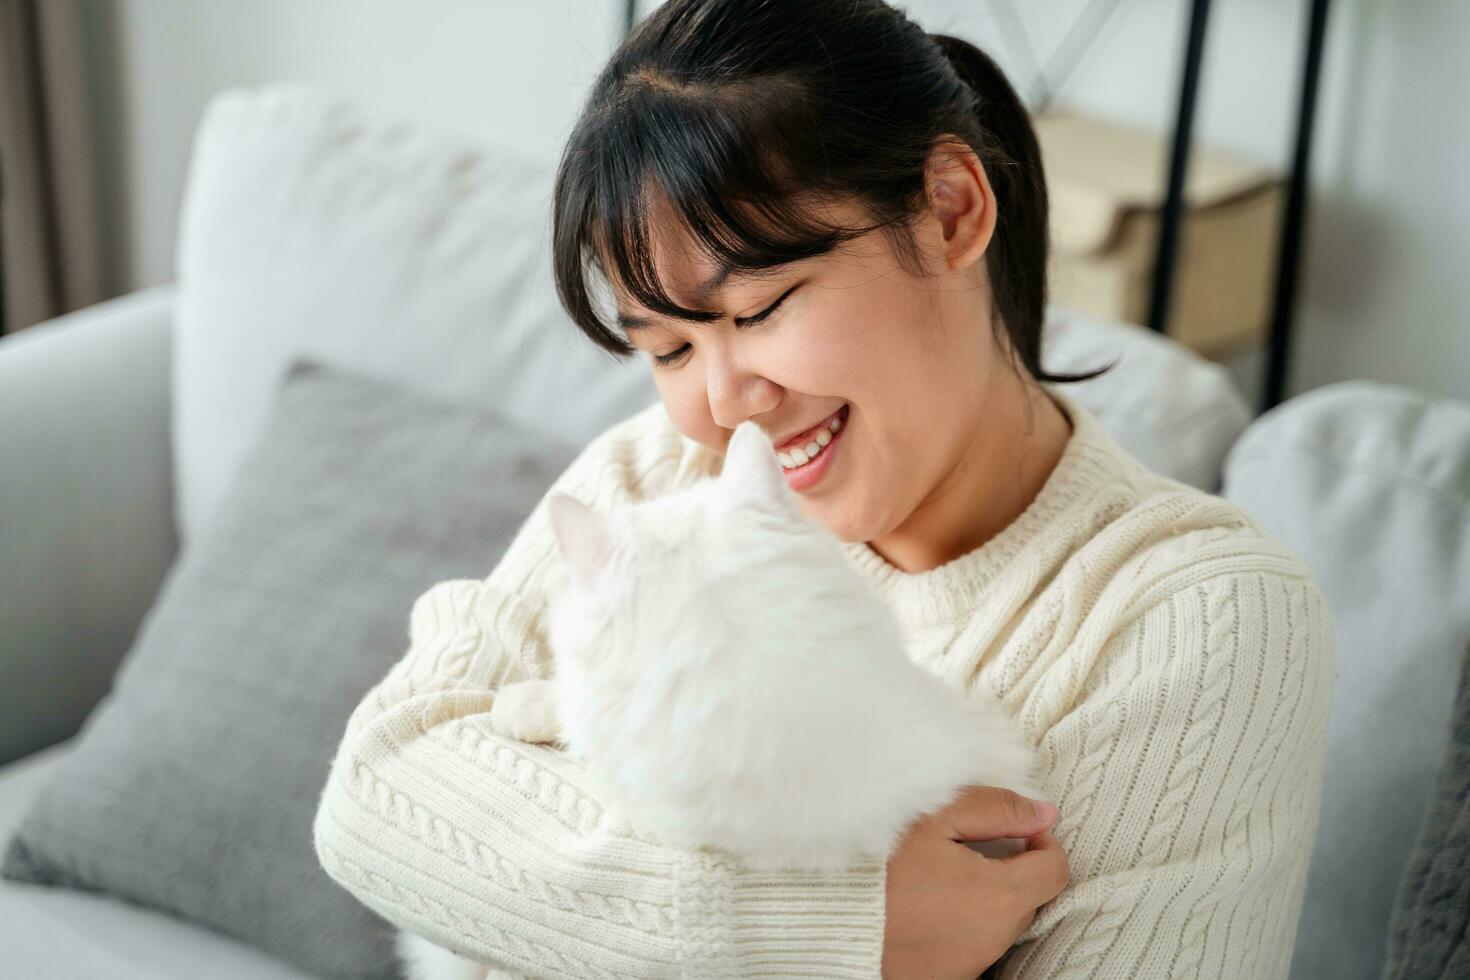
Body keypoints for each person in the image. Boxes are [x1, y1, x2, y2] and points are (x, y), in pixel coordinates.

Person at [312, 1, 1336, 977]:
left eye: (759, 307)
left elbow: (448, 807)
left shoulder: (1193, 617)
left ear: (951, 210)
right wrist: (828, 925)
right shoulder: (661, 480)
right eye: (668, 347)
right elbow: (378, 791)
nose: (723, 404)